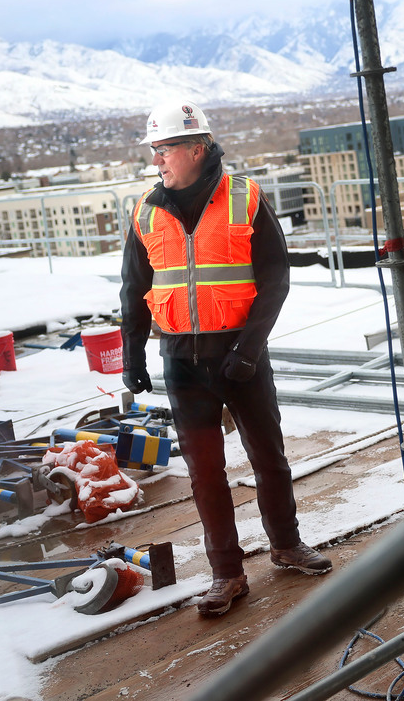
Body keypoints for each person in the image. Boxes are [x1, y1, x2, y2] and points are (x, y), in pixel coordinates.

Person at [120, 99, 331, 618]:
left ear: (196, 148)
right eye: (154, 151)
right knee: (205, 473)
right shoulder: (146, 209)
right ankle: (226, 574)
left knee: (268, 458)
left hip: (241, 357)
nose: (157, 162)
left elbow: (276, 279)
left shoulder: (245, 198)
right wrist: (133, 356)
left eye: (164, 150)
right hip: (182, 362)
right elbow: (133, 288)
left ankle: (286, 545)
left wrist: (248, 350)